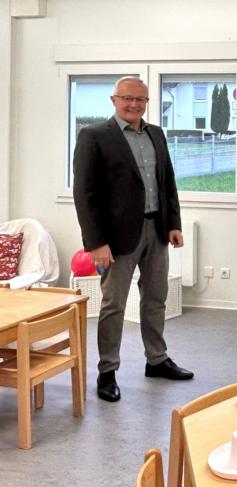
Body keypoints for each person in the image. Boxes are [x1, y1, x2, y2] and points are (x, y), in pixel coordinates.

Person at [73, 76, 193, 403]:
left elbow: (166, 182)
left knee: (155, 299)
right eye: (127, 98)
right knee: (113, 305)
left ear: (147, 102)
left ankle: (157, 359)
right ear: (114, 99)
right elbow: (85, 194)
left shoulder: (155, 133)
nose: (134, 105)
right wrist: (96, 243)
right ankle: (107, 371)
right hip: (115, 237)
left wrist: (174, 223)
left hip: (157, 230)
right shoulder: (94, 136)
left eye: (140, 99)